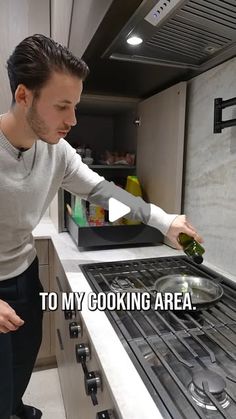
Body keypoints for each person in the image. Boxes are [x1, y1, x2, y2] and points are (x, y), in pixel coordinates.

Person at [0, 34, 202, 419]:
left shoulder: (56, 152)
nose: (72, 120)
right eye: (62, 106)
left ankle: (14, 407)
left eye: (75, 106)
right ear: (23, 95)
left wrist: (164, 220)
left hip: (24, 276)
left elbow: (100, 190)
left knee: (21, 360)